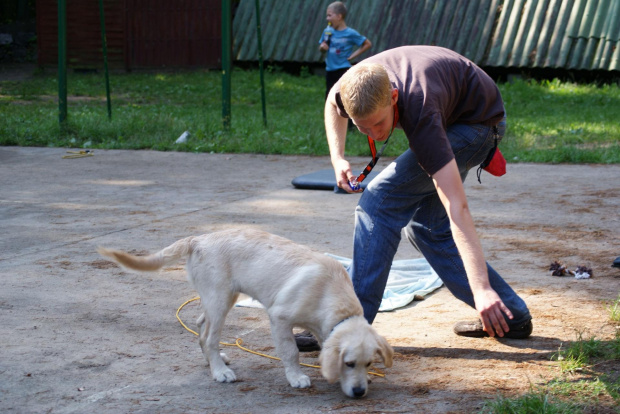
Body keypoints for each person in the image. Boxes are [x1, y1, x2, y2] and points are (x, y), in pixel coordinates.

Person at [296, 46, 533, 352]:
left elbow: (456, 207)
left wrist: (482, 287)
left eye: (378, 124)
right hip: (453, 109)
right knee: (427, 228)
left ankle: (348, 326)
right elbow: (333, 100)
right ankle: (511, 316)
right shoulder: (352, 88)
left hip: (476, 126)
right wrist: (337, 157)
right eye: (361, 127)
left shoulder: (420, 112)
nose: (372, 133)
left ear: (393, 98)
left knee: (379, 201)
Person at [319, 2, 372, 100]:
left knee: (344, 96)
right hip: (330, 70)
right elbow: (322, 48)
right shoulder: (327, 31)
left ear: (339, 16)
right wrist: (322, 48)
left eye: (330, 15)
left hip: (343, 69)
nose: (327, 19)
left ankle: (346, 115)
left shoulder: (350, 33)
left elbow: (367, 44)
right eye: (327, 16)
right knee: (330, 96)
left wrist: (353, 56)